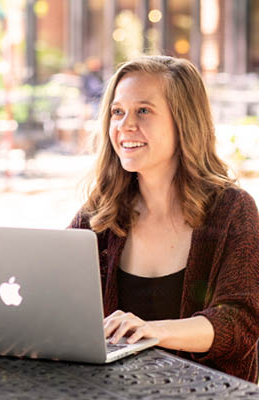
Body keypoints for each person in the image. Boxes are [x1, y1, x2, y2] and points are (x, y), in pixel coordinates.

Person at [69, 55, 259, 382]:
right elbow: (51, 291)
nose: (125, 125)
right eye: (117, 111)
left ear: (183, 121)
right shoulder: (100, 211)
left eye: (143, 110)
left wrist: (150, 331)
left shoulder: (233, 210)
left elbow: (240, 323)